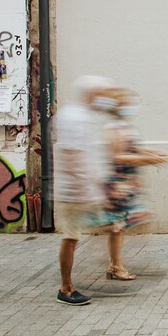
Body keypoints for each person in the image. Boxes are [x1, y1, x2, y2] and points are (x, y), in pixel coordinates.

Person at [52, 75, 116, 306]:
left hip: (81, 189)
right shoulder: (75, 117)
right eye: (103, 95)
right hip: (74, 192)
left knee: (100, 227)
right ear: (93, 95)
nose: (106, 100)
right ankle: (66, 288)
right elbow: (72, 156)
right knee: (70, 237)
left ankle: (111, 267)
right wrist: (87, 189)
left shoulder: (81, 116)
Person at [102, 87, 168, 281]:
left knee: (120, 226)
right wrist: (146, 160)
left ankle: (114, 263)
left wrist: (154, 154)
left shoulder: (125, 127)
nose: (131, 107)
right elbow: (118, 155)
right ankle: (115, 265)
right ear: (118, 106)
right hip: (118, 185)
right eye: (127, 103)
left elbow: (135, 148)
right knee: (117, 227)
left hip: (127, 185)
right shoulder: (113, 129)